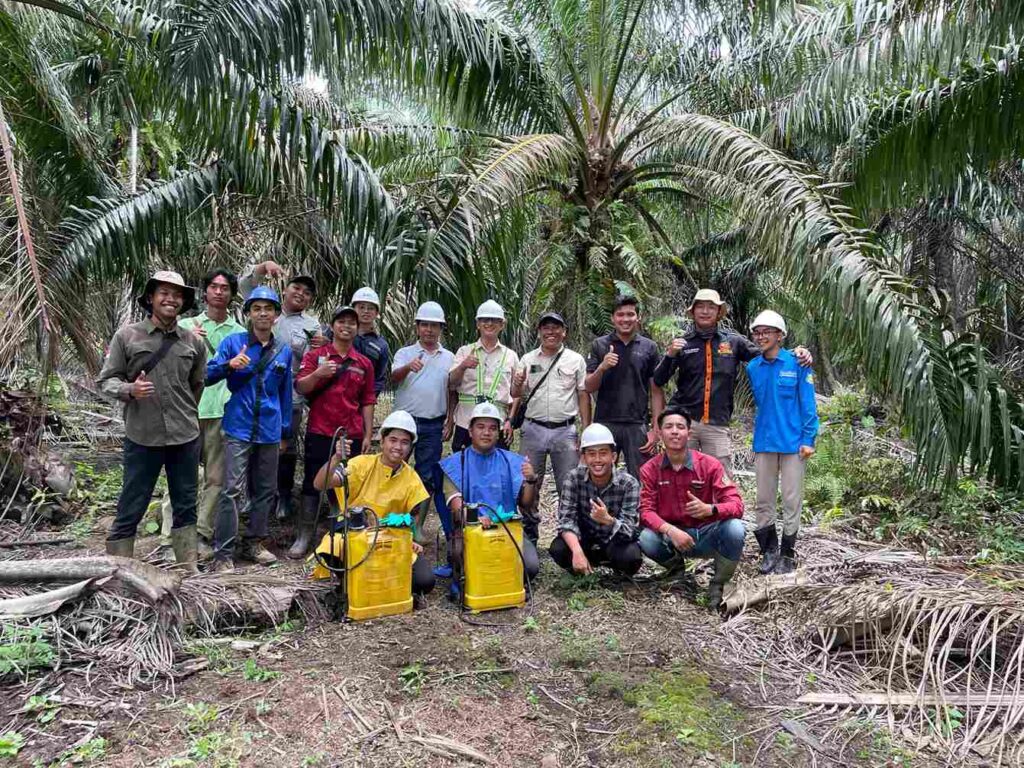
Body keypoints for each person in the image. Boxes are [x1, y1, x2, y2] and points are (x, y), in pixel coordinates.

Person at [97, 271, 206, 572]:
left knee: (185, 501)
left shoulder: (193, 343)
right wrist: (130, 390)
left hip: (184, 436)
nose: (171, 299)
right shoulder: (127, 336)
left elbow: (196, 385)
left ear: (183, 302)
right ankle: (118, 569)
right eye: (164, 293)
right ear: (150, 298)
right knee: (133, 501)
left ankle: (188, 567)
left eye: (177, 294)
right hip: (142, 435)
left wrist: (184, 413)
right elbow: (106, 380)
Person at [652, 289, 812, 476]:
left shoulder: (734, 342)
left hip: (717, 423)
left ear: (719, 313)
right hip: (686, 423)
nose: (705, 311)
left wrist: (797, 352)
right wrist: (670, 355)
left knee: (721, 479)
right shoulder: (683, 344)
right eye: (700, 307)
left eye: (711, 307)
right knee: (679, 475)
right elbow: (658, 380)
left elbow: (768, 353)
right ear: (693, 312)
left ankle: (719, 507)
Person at [158, 269, 245, 561]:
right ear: (205, 292)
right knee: (179, 475)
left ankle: (201, 535)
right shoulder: (185, 325)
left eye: (224, 288)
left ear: (231, 294)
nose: (219, 292)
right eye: (213, 287)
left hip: (223, 411)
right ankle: (170, 537)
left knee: (216, 478)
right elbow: (165, 359)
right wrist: (185, 339)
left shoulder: (239, 332)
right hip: (188, 410)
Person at [205, 287, 293, 573]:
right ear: (249, 313)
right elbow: (207, 375)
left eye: (269, 308)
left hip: (269, 429)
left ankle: (254, 542)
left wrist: (284, 432)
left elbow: (285, 394)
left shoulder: (284, 350)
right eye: (257, 308)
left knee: (266, 490)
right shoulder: (234, 343)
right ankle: (223, 552)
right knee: (231, 490)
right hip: (238, 426)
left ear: (277, 315)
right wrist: (229, 366)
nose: (263, 313)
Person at [311, 410, 436, 600]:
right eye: (393, 440)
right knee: (332, 550)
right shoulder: (361, 464)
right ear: (382, 441)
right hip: (355, 536)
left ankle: (373, 578)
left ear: (411, 447)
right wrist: (336, 458)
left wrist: (409, 540)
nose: (398, 447)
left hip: (390, 540)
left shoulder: (412, 478)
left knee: (424, 581)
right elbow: (320, 484)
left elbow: (410, 520)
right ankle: (356, 580)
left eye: (404, 442)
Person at [240, 259, 326, 520]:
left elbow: (314, 363)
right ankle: (252, 497)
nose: (301, 294)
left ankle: (284, 497)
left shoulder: (312, 326)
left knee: (286, 447)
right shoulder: (267, 310)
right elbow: (245, 285)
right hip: (255, 392)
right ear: (286, 290)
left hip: (291, 396)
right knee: (254, 443)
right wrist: (262, 267)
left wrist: (320, 349)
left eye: (307, 292)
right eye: (297, 288)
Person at [287, 306, 376, 559]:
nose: (346, 327)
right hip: (320, 430)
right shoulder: (317, 356)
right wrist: (319, 373)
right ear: (333, 326)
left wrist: (369, 434)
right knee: (311, 483)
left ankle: (344, 532)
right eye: (341, 322)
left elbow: (368, 400)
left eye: (351, 323)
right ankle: (304, 536)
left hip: (352, 434)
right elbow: (301, 386)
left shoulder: (364, 363)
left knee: (347, 484)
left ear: (357, 329)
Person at [638, 408, 745, 611]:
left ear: (689, 433)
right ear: (660, 433)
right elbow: (645, 511)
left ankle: (718, 584)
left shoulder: (710, 465)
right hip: (674, 538)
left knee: (735, 528)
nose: (675, 432)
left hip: (706, 535)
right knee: (646, 538)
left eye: (680, 427)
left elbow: (737, 505)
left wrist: (711, 509)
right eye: (668, 427)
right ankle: (677, 571)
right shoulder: (650, 469)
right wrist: (671, 530)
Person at [440, 403, 540, 601]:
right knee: (458, 553)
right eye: (481, 427)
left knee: (530, 566)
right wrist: (477, 518)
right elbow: (457, 510)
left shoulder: (512, 461)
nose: (486, 433)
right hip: (472, 531)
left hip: (507, 530)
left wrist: (530, 480)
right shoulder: (455, 464)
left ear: (499, 433)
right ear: (470, 431)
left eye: (492, 428)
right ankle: (465, 579)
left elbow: (526, 504)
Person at [747, 311, 818, 575]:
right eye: (758, 332)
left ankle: (788, 553)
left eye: (767, 331)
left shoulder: (797, 363)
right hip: (764, 442)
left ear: (780, 335)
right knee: (764, 500)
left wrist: (809, 438)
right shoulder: (753, 367)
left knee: (791, 499)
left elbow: (808, 403)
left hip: (793, 443)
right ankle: (768, 551)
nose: (762, 336)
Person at [391, 302, 456, 547]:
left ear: (441, 328)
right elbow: (392, 379)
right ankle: (393, 519)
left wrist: (450, 419)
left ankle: (416, 524)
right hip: (404, 424)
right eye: (425, 325)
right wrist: (408, 368)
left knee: (426, 476)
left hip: (433, 424)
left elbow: (452, 390)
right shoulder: (405, 353)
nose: (429, 330)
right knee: (396, 470)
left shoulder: (448, 357)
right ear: (417, 327)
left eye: (434, 326)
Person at [511, 312, 591, 504]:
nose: (551, 332)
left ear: (564, 332)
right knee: (527, 482)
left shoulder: (575, 359)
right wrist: (518, 383)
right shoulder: (528, 359)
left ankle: (567, 531)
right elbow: (516, 394)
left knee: (569, 485)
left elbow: (582, 393)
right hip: (533, 429)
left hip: (565, 430)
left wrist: (586, 428)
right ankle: (529, 532)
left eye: (556, 327)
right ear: (539, 332)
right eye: (546, 328)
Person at [584, 295, 664, 478]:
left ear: (638, 318)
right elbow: (588, 386)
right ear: (612, 318)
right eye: (620, 315)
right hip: (605, 423)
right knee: (600, 477)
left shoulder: (649, 347)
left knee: (642, 478)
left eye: (630, 314)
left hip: (637, 425)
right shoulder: (600, 345)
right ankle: (603, 508)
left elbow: (656, 390)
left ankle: (637, 508)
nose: (625, 319)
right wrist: (602, 368)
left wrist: (655, 429)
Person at [549, 424, 643, 577]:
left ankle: (614, 569)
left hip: (614, 540)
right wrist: (577, 551)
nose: (597, 460)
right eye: (591, 454)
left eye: (603, 453)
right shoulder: (573, 478)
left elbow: (631, 530)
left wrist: (608, 520)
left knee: (631, 557)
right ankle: (582, 564)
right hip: (584, 538)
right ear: (584, 458)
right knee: (559, 549)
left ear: (613, 457)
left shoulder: (628, 483)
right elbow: (566, 521)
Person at [449, 300, 520, 451]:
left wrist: (510, 421)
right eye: (484, 320)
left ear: (502, 325)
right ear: (478, 324)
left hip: (497, 425)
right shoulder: (464, 351)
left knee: (496, 471)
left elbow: (516, 394)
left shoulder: (511, 356)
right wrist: (463, 366)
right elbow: (451, 384)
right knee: (465, 469)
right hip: (466, 423)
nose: (489, 323)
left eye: (495, 320)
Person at [351, 286, 391, 396]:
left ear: (377, 312)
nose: (366, 311)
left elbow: (379, 378)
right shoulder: (341, 334)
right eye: (361, 307)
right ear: (353, 309)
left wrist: (368, 400)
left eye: (370, 308)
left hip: (362, 401)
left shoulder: (381, 345)